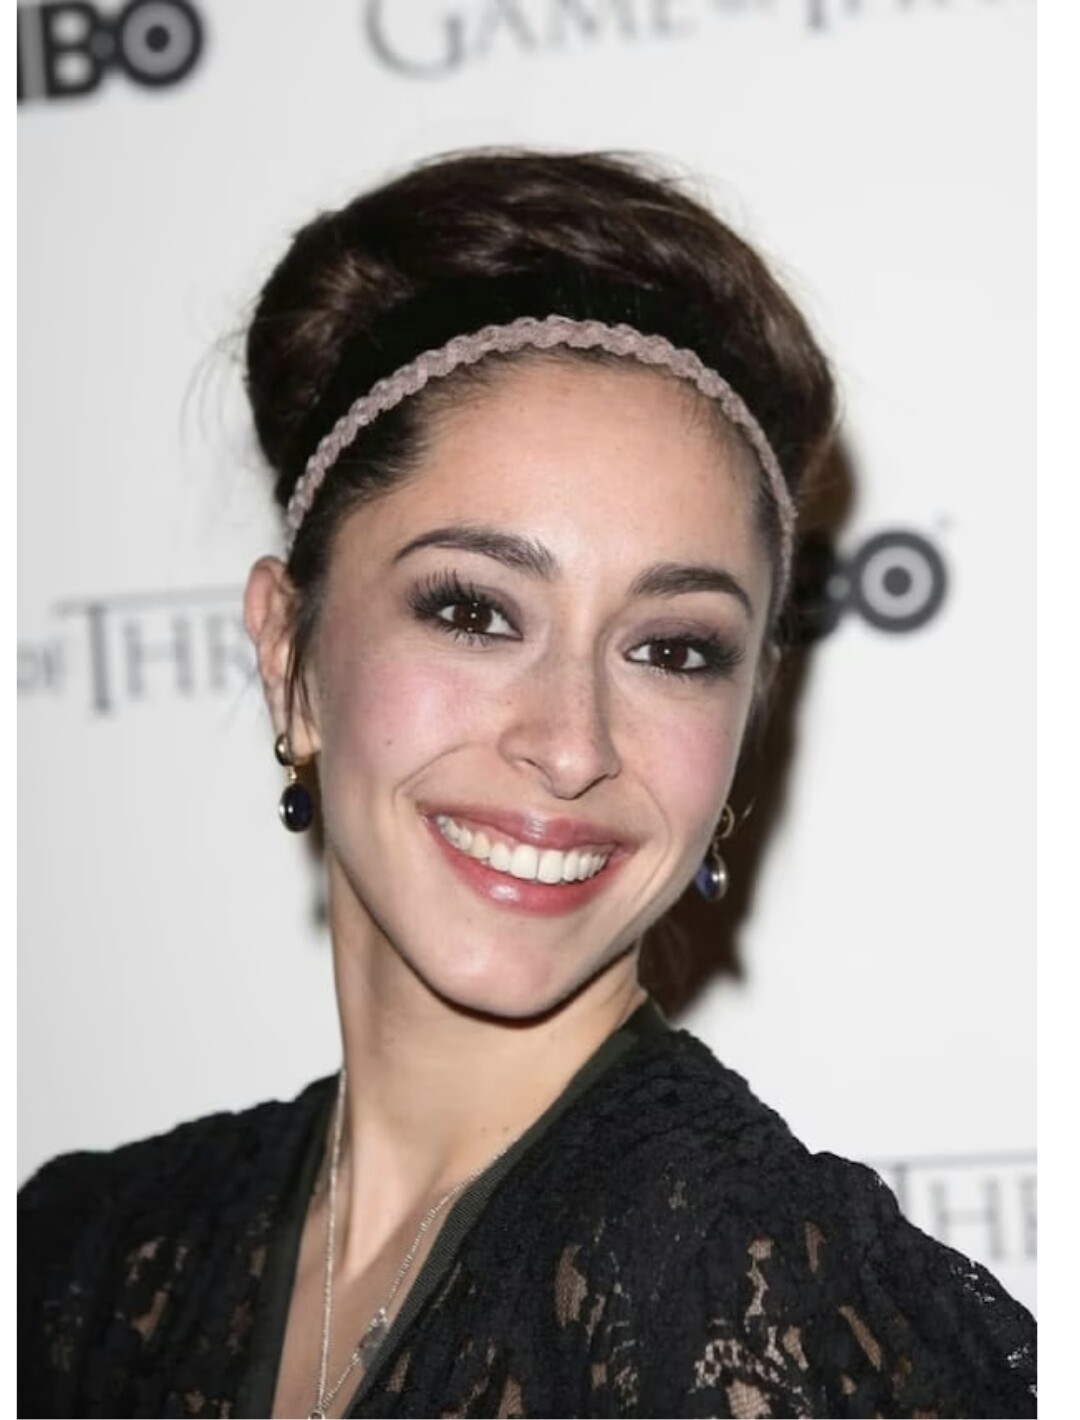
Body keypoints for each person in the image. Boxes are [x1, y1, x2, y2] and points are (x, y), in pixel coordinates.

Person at [18, 150, 1035, 1419]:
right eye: (473, 610)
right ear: (289, 657)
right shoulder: (81, 1263)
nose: (571, 742)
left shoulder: (751, 1298)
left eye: (674, 650)